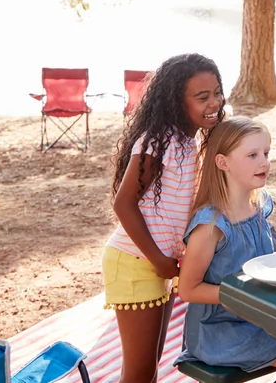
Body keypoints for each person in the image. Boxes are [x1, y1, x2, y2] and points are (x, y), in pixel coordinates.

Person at [174, 117, 276, 382]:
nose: (264, 162)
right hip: (221, 329)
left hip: (257, 317)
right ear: (223, 163)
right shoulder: (211, 225)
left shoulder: (258, 207)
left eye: (266, 153)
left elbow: (253, 265)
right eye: (252, 155)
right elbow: (188, 289)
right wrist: (243, 296)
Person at [103, 53, 225, 383]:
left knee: (150, 367)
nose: (213, 102)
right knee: (139, 373)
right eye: (202, 97)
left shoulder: (190, 139)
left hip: (161, 263)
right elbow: (123, 203)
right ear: (175, 100)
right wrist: (158, 259)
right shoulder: (158, 140)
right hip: (135, 261)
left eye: (217, 92)